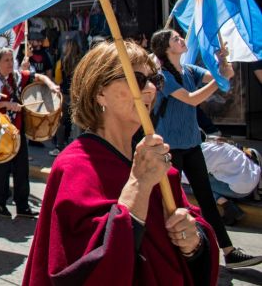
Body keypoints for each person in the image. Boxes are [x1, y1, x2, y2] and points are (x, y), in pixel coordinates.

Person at [23, 40, 219, 285]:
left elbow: (193, 236)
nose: (150, 89)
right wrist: (138, 185)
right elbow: (80, 268)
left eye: (154, 80)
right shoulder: (76, 166)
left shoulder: (155, 164)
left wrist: (194, 242)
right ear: (100, 92)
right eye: (137, 79)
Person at [151, 28, 262, 269]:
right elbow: (192, 98)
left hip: (192, 144)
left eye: (180, 37)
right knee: (171, 203)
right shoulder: (162, 77)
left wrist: (223, 62)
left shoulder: (189, 70)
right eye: (175, 39)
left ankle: (229, 252)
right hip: (170, 149)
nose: (182, 39)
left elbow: (225, 76)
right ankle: (173, 255)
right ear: (165, 49)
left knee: (206, 200)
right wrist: (218, 80)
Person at [0, 47, 59, 218]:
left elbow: (38, 76)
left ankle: (22, 205)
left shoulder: (17, 77)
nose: (10, 63)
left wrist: (51, 84)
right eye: (6, 60)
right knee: (0, 170)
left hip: (17, 131)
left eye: (11, 59)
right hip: (0, 133)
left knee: (21, 169)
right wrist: (6, 105)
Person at [184, 137, 261, 226]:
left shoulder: (204, 152)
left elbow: (187, 177)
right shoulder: (218, 143)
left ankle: (227, 206)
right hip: (252, 179)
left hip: (241, 189)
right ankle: (227, 201)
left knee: (192, 183)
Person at [49, 39, 81, 156]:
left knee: (60, 121)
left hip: (64, 94)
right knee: (75, 122)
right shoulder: (81, 62)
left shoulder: (61, 62)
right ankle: (75, 147)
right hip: (76, 94)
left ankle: (59, 146)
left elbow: (58, 79)